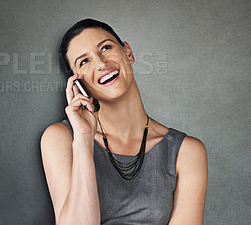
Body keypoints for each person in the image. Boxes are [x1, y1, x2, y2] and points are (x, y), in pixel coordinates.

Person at [40, 19, 208, 225]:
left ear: (128, 52)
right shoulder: (61, 138)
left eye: (106, 48)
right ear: (78, 83)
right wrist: (84, 139)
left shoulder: (187, 151)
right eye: (84, 61)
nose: (101, 64)